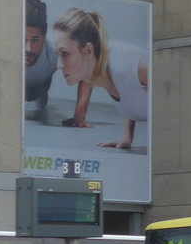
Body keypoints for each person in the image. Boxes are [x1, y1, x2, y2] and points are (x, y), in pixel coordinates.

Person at [53, 8, 148, 149]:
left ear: (88, 51)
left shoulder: (128, 62)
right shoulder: (98, 70)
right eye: (57, 54)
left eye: (65, 54)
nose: (58, 65)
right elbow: (130, 91)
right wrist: (127, 138)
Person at [25, 0, 93, 123]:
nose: (28, 48)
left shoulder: (56, 45)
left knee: (37, 96)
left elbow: (86, 65)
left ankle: (43, 90)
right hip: (17, 85)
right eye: (23, 39)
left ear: (44, 36)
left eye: (35, 40)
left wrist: (80, 115)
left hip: (41, 84)